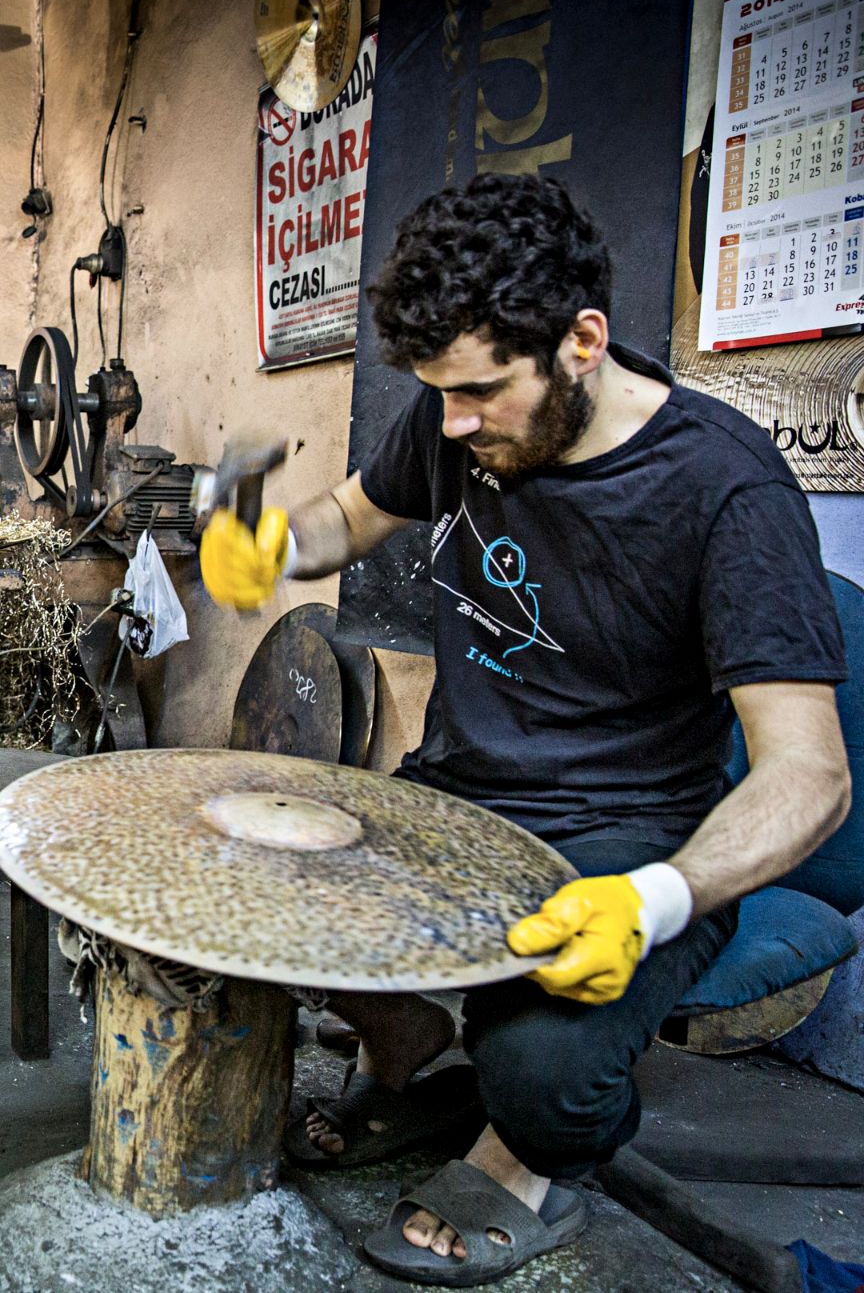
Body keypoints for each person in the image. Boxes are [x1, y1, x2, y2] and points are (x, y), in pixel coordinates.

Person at [200, 174, 849, 1284]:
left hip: (623, 836)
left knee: (544, 1073)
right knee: (237, 886)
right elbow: (354, 514)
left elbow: (811, 775)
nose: (451, 423)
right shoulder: (458, 416)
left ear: (581, 341)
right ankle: (411, 1055)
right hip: (455, 789)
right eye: (435, 394)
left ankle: (531, 1152)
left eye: (479, 393)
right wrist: (273, 544)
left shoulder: (723, 488)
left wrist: (658, 897)